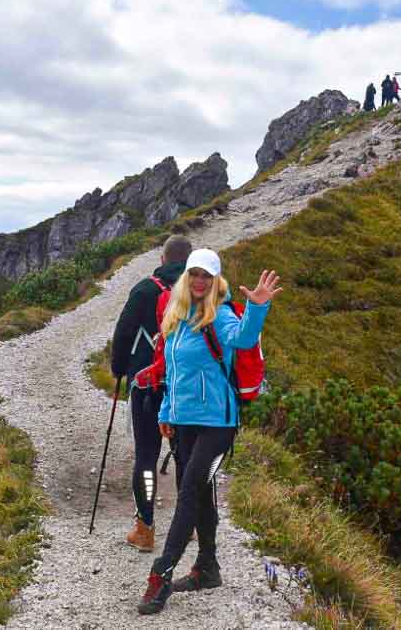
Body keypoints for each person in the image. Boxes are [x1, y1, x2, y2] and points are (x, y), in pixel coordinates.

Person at [136, 249, 283, 615]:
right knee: (200, 493)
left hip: (218, 424)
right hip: (183, 423)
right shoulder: (177, 316)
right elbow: (172, 374)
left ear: (217, 281)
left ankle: (161, 575)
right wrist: (166, 413)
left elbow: (245, 339)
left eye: (207, 276)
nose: (200, 281)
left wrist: (258, 307)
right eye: (195, 274)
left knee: (188, 493)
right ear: (187, 277)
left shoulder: (218, 316)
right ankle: (208, 568)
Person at [111, 234, 192, 552]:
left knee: (146, 456)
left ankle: (145, 530)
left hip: (147, 386)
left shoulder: (146, 290)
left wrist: (119, 370)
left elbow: (123, 332)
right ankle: (191, 524)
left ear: (163, 260)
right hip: (184, 388)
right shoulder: (200, 291)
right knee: (186, 454)